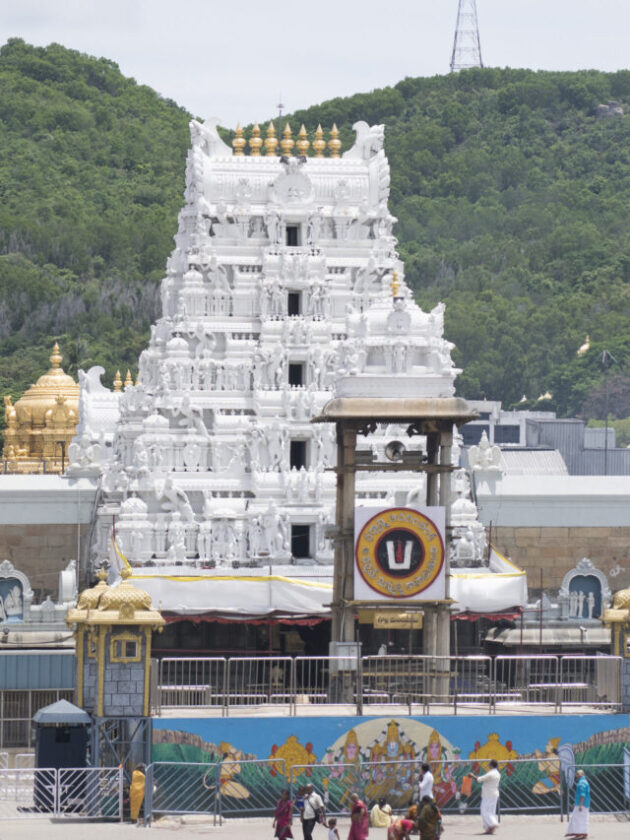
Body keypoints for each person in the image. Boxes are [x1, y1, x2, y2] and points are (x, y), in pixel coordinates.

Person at [473, 759, 500, 835]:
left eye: (489, 764)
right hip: (494, 794)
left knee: (484, 810)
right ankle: (490, 829)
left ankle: (493, 824)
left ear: (491, 765)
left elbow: (479, 779)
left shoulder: (491, 774)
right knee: (491, 811)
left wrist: (472, 776)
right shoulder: (497, 773)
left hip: (488, 795)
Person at [565, 769, 590, 840]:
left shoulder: (581, 783)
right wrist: (575, 804)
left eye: (578, 774)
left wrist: (580, 805)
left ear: (581, 775)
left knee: (577, 819)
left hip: (582, 804)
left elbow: (582, 795)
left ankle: (580, 833)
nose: (577, 776)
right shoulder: (584, 782)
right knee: (581, 819)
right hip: (583, 804)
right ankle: (582, 833)